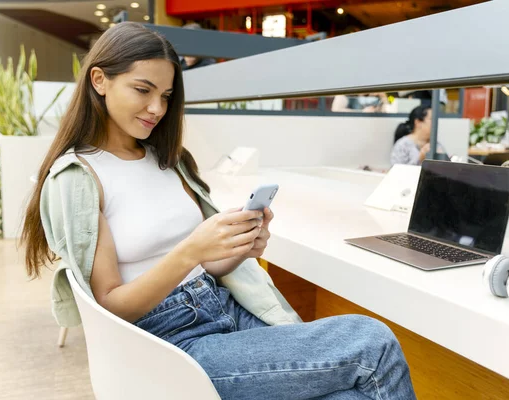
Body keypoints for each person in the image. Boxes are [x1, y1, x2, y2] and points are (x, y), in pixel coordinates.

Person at [21, 22, 416, 400]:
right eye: (143, 90)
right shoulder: (79, 177)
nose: (156, 108)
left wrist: (235, 248)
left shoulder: (167, 159)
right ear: (99, 80)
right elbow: (110, 304)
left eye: (166, 95)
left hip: (220, 306)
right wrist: (192, 250)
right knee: (373, 343)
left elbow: (203, 268)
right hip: (168, 343)